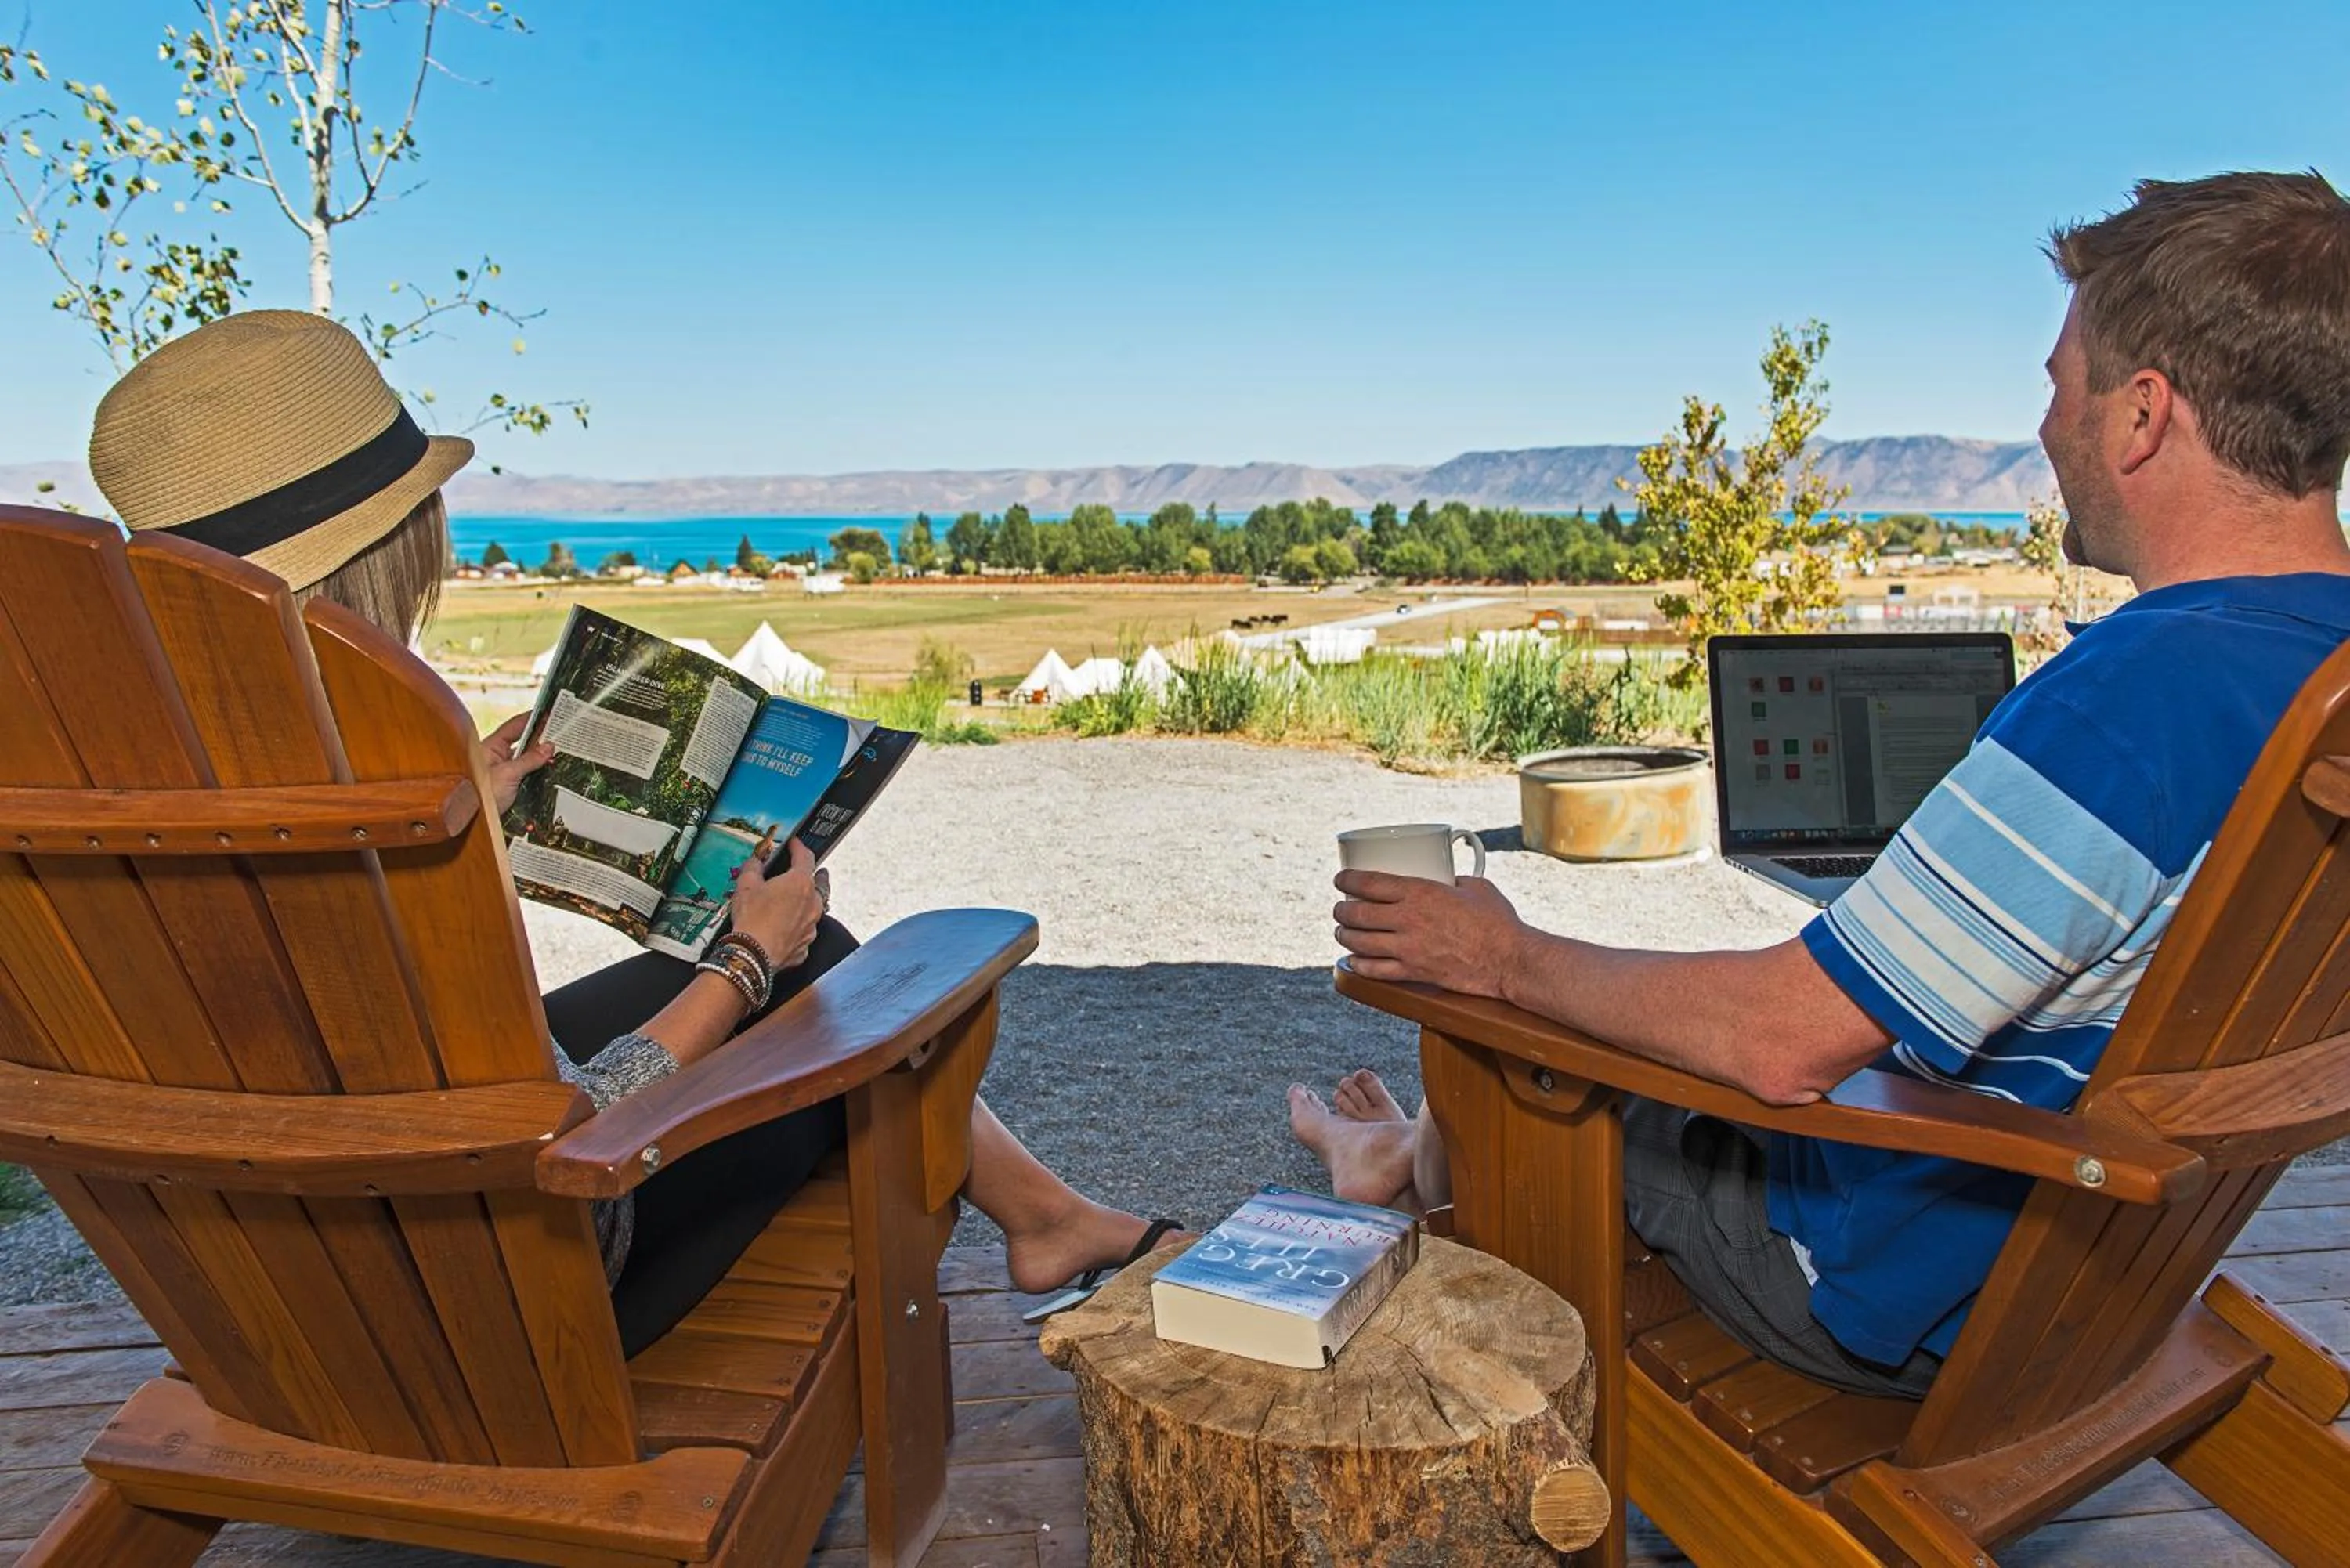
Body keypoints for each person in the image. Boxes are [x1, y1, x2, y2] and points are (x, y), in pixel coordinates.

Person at [1295, 170, 2350, 1396]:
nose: (2051, 428)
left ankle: (1409, 1170)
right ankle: (1395, 1159)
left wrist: (1503, 957)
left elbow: (1781, 1043)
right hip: (2112, 1274)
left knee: (1501, 1051)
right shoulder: (2314, 665)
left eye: (2062, 386)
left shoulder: (2141, 693)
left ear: (2142, 416)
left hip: (1906, 1287)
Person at [86, 309, 1178, 1356]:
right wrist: (746, 960)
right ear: (383, 550)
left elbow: (362, 1040)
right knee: (823, 989)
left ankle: (1045, 1218)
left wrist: (458, 844)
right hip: (526, 1292)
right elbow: (575, 1125)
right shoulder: (367, 773)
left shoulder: (157, 773)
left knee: (808, 967)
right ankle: (1043, 1227)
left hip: (294, 1297)